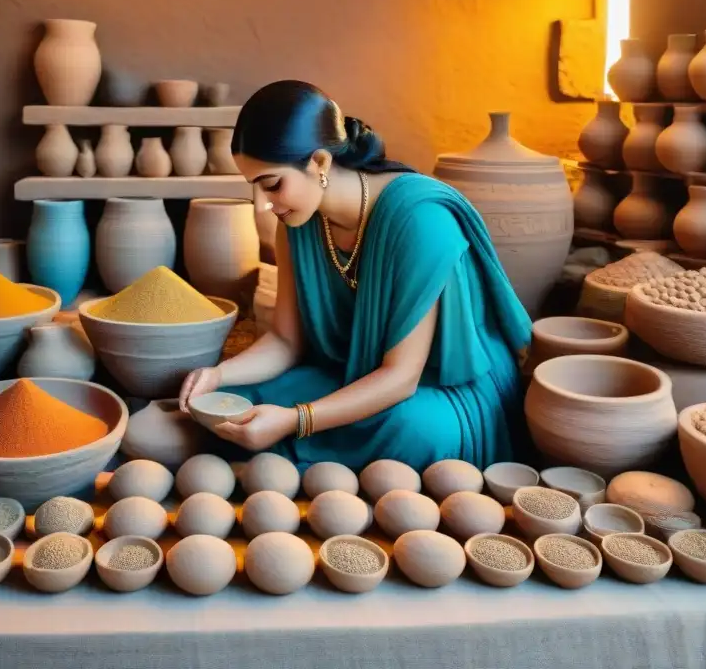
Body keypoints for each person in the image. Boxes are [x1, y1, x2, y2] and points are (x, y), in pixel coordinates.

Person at [123, 80, 532, 473]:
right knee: (230, 406)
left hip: (434, 389)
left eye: (272, 185)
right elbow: (286, 341)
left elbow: (401, 378)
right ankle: (284, 446)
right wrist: (219, 375)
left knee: (412, 429)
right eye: (254, 188)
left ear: (319, 162)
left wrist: (294, 421)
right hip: (351, 372)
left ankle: (289, 449)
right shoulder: (297, 223)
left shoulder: (421, 220)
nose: (262, 205)